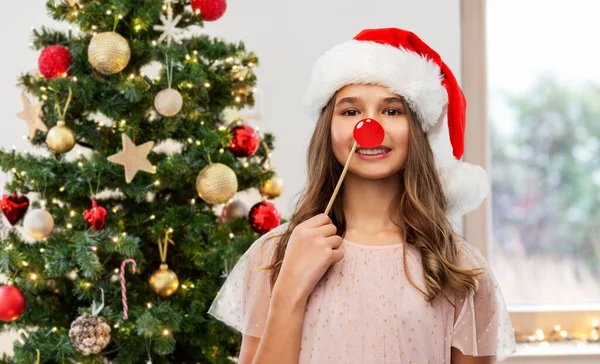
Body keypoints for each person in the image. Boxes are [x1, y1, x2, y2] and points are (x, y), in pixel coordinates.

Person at [208, 27, 517, 364]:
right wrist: (289, 289)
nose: (369, 126)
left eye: (392, 111)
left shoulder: (458, 266)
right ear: (328, 129)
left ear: (416, 131)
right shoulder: (275, 253)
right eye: (351, 111)